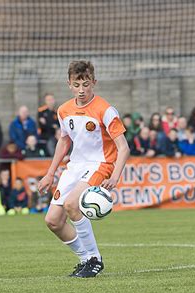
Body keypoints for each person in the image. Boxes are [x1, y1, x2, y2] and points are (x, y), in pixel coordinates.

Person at [37, 60, 130, 278]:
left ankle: (95, 259)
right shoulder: (63, 110)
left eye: (86, 84)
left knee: (72, 205)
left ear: (93, 83)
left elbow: (123, 148)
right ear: (69, 84)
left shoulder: (105, 110)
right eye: (77, 85)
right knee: (53, 221)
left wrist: (115, 175)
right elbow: (64, 141)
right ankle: (85, 259)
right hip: (75, 166)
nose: (81, 90)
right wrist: (50, 173)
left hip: (100, 164)